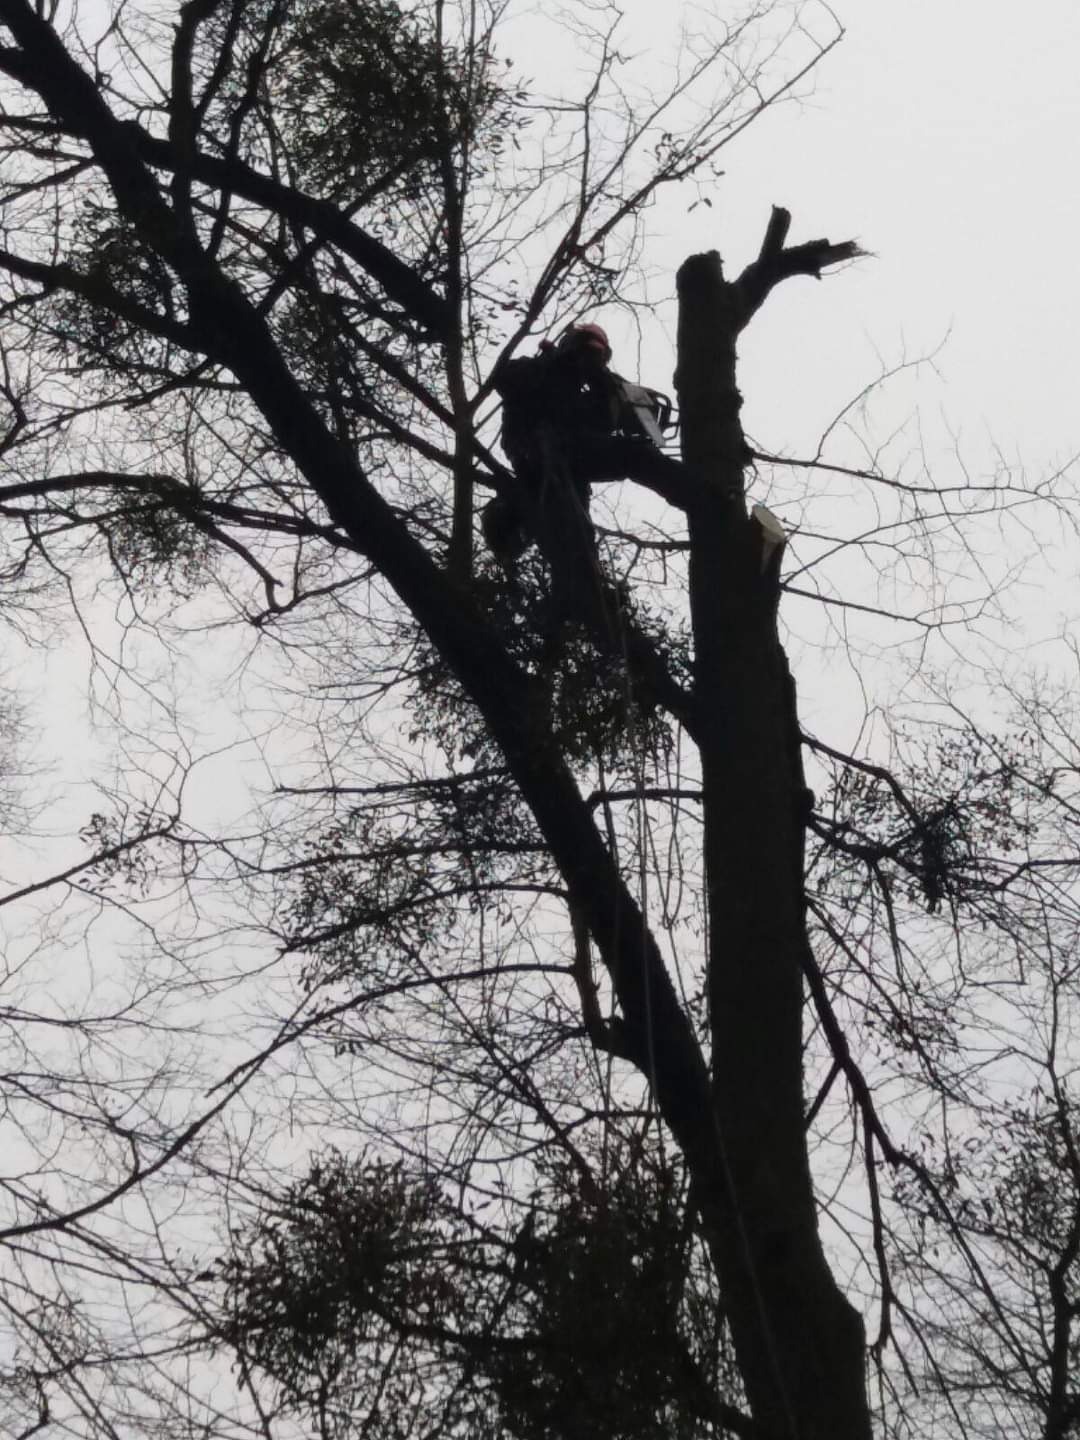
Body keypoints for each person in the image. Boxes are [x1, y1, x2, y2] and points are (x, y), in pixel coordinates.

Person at [482, 323, 686, 562]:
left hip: (574, 461)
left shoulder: (595, 391)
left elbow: (616, 420)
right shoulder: (538, 370)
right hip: (534, 455)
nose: (590, 360)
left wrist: (607, 386)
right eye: (588, 350)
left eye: (598, 355)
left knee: (635, 458)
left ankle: (697, 496)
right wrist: (553, 362)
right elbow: (504, 378)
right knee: (568, 534)